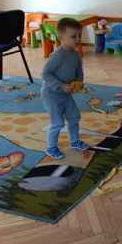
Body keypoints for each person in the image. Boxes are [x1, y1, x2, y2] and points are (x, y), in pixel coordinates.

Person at [41, 18, 90, 160]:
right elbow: (45, 73)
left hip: (65, 94)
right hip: (51, 94)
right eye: (73, 36)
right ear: (61, 37)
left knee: (74, 117)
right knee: (57, 123)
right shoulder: (57, 56)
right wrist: (61, 86)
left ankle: (74, 141)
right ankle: (51, 148)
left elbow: (79, 72)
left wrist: (79, 82)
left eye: (79, 36)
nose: (78, 39)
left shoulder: (76, 54)